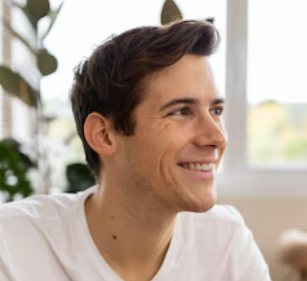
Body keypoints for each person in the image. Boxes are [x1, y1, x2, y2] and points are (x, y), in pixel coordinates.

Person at [0, 20, 272, 281]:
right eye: (180, 111)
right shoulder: (12, 245)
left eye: (215, 111)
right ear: (104, 135)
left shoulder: (225, 240)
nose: (217, 136)